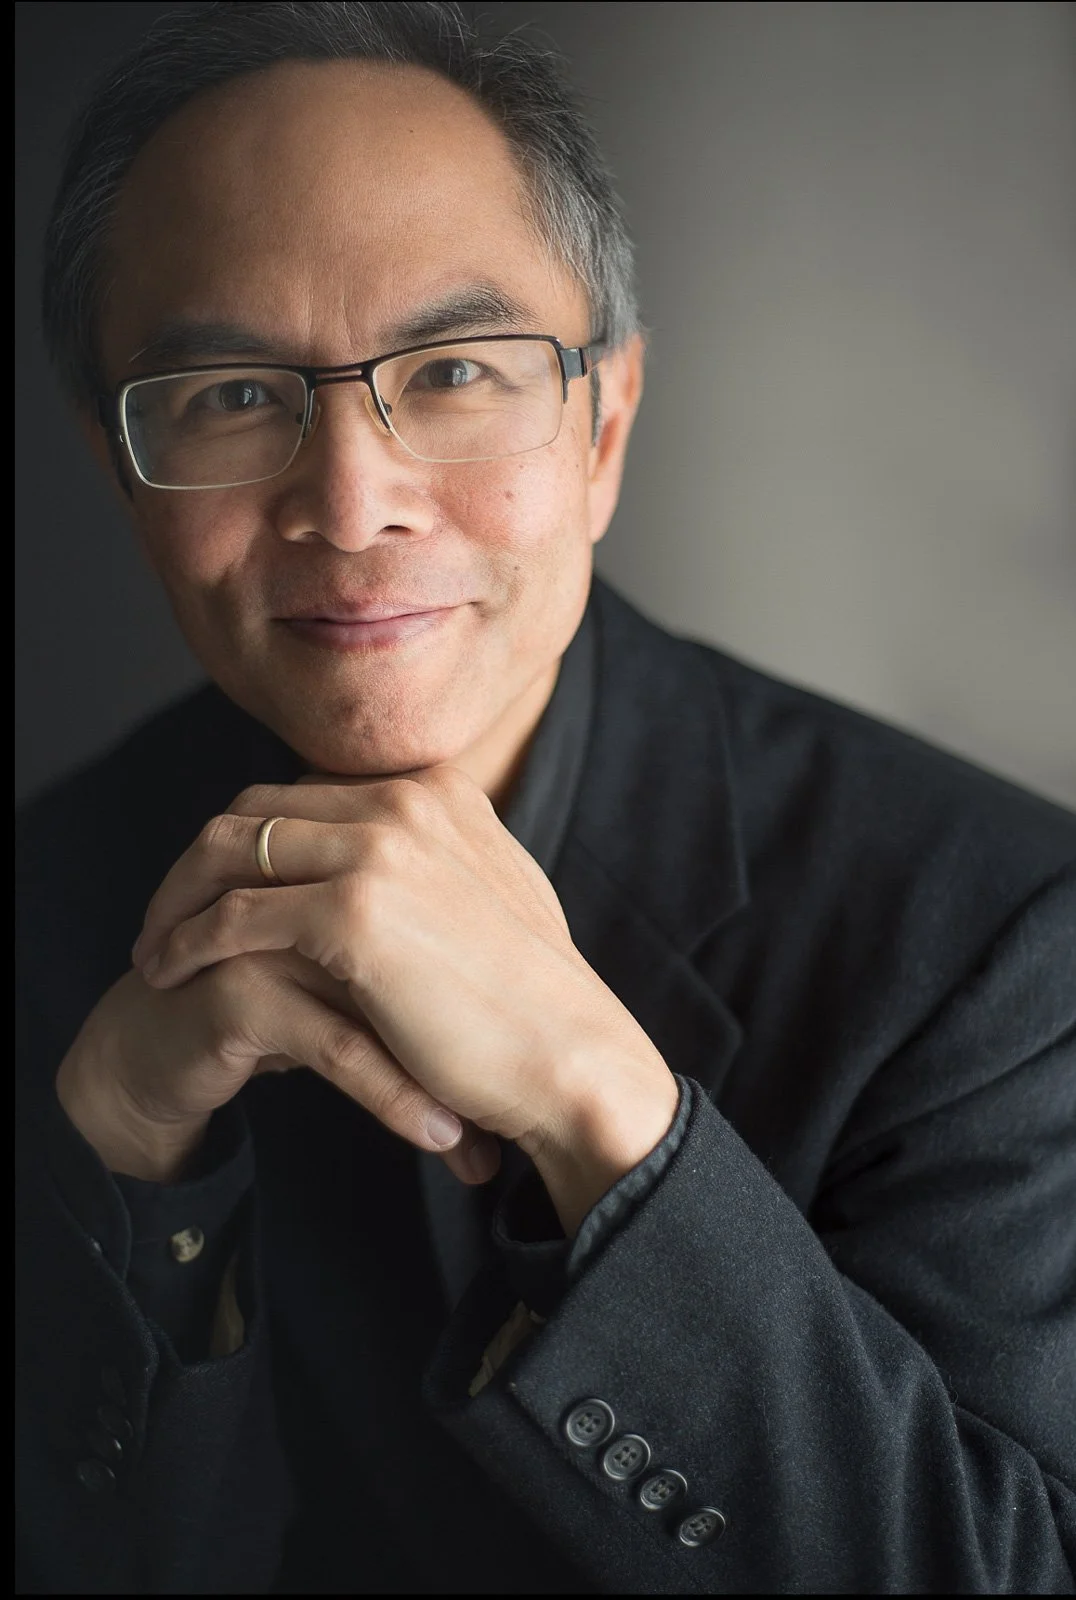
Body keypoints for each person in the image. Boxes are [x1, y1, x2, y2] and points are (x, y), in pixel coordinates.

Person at [15, 2, 1075, 1592]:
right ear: (120, 471)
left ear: (606, 426)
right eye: (232, 395)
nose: (352, 502)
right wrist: (122, 1164)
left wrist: (609, 1121)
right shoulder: (39, 908)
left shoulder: (994, 939)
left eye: (450, 369)